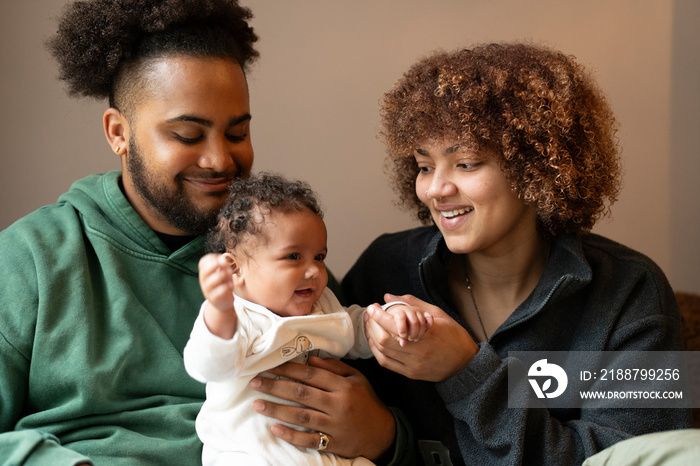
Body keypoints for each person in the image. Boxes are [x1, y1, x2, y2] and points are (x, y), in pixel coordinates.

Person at [0, 1, 403, 464]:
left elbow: (370, 406)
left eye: (236, 133)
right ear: (118, 132)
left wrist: (385, 436)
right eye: (188, 136)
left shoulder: (284, 256)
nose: (219, 160)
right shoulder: (30, 259)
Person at [341, 42, 692, 465]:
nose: (436, 189)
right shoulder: (386, 268)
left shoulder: (633, 293)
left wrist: (466, 373)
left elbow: (635, 458)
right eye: (424, 165)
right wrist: (385, 438)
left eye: (466, 163)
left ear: (536, 168)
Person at [184, 173, 430, 465]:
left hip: (323, 453)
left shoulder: (320, 303)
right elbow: (210, 366)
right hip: (251, 452)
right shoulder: (237, 316)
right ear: (235, 270)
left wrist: (390, 316)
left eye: (319, 256)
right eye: (293, 257)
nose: (313, 270)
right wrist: (219, 313)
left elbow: (354, 327)